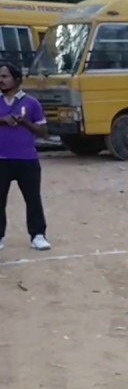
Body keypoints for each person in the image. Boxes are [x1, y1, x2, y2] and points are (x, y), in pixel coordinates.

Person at [0, 61, 51, 252]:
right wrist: (3, 120)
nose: (1, 80)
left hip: (27, 160)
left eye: (5, 76)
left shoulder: (31, 103)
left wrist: (24, 123)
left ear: (16, 79)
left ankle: (38, 235)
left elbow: (43, 132)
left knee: (32, 199)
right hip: (1, 160)